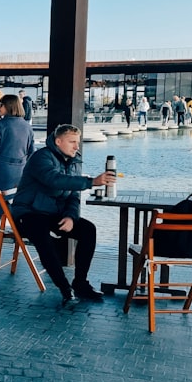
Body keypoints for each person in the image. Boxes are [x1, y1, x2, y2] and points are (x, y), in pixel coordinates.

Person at [9, 124, 116, 305]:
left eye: (78, 142)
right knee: (43, 236)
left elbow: (73, 195)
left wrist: (71, 217)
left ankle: (80, 283)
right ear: (58, 142)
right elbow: (54, 180)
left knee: (88, 229)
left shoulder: (74, 160)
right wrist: (92, 182)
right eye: (72, 142)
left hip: (53, 213)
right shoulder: (41, 157)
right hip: (28, 212)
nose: (77, 146)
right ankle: (65, 288)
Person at [0, 94, 34, 252]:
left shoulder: (1, 125)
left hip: (0, 169)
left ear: (8, 107)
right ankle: (19, 236)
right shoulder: (27, 126)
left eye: (1, 105)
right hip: (20, 170)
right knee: (16, 203)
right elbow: (31, 151)